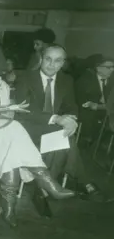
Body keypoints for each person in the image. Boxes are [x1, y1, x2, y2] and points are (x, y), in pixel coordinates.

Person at [0, 42, 75, 228]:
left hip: (2, 131)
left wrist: (5, 112)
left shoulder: (2, 83)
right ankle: (46, 182)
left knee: (13, 136)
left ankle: (9, 207)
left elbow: (9, 114)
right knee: (15, 131)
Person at [16, 44, 110, 217]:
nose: (51, 65)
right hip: (28, 129)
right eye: (48, 59)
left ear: (63, 63)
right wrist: (57, 119)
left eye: (57, 61)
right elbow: (24, 111)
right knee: (64, 140)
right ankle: (85, 183)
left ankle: (42, 191)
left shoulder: (66, 80)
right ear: (41, 59)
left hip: (53, 130)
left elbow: (72, 106)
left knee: (62, 141)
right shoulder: (25, 77)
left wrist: (71, 120)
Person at [75, 55, 114, 146]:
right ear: (97, 68)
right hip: (88, 113)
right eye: (108, 67)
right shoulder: (84, 80)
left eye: (113, 67)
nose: (112, 70)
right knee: (88, 115)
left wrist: (99, 107)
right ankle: (87, 141)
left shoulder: (112, 80)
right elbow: (81, 102)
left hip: (107, 111)